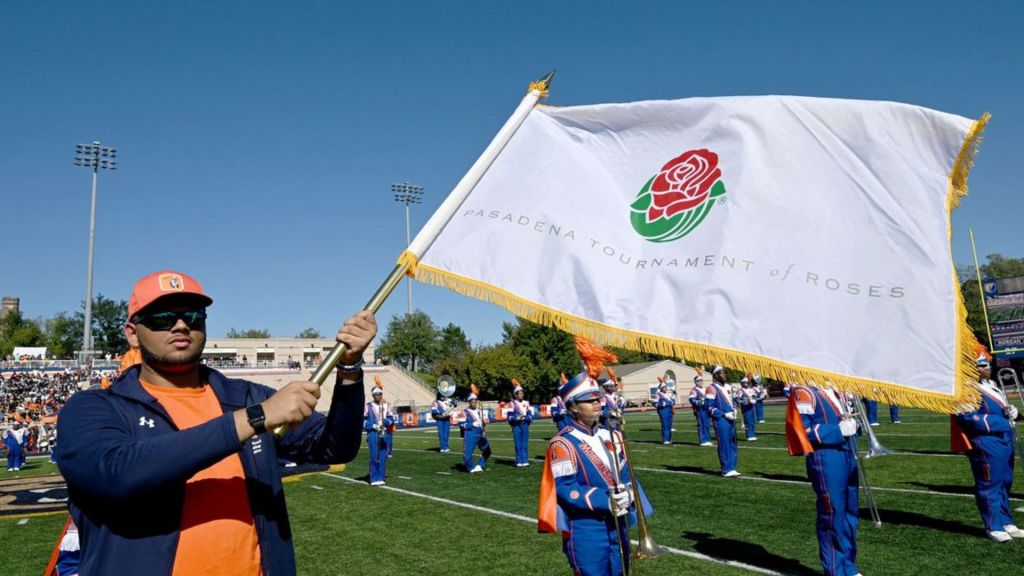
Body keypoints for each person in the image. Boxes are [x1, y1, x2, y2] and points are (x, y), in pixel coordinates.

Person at [56, 270, 375, 576]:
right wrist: (254, 419)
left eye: (193, 316)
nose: (180, 326)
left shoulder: (245, 395)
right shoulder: (96, 407)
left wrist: (350, 370)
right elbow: (119, 474)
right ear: (132, 333)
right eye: (162, 318)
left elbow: (335, 448)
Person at [538, 336, 652, 576]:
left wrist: (630, 493)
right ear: (573, 407)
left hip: (618, 525)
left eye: (597, 398)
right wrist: (605, 499)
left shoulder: (611, 434)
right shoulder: (563, 443)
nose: (596, 403)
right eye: (588, 400)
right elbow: (566, 488)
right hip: (586, 528)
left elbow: (624, 473)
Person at [785, 382, 863, 576]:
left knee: (850, 513)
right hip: (827, 457)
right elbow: (804, 429)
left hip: (847, 452)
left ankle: (849, 566)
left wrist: (855, 425)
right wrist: (838, 431)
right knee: (832, 515)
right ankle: (835, 571)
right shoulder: (805, 391)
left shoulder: (836, 389)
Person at [951, 355, 1022, 542]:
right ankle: (993, 526)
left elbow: (996, 408)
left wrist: (1011, 410)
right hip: (986, 441)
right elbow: (968, 418)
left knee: (1005, 481)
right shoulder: (965, 389)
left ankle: (1006, 521)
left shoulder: (991, 384)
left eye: (988, 364)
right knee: (990, 484)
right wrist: (1003, 422)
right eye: (982, 365)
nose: (987, 367)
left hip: (1003, 439)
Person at [705, 366, 740, 477]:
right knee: (724, 443)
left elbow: (733, 401)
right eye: (721, 373)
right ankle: (726, 469)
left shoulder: (728, 387)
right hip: (721, 420)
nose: (724, 375)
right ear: (715, 375)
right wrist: (724, 414)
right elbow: (709, 407)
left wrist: (734, 410)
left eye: (724, 373)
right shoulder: (711, 389)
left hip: (731, 418)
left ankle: (732, 467)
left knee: (733, 443)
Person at [363, 376, 394, 486]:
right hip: (373, 433)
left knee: (383, 456)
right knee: (374, 455)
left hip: (384, 433)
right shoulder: (368, 406)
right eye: (376, 395)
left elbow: (391, 419)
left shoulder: (387, 405)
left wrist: (386, 421)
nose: (379, 396)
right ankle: (374, 478)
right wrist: (373, 426)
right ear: (373, 396)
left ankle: (381, 477)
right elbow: (363, 422)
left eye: (380, 394)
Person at [462, 384, 491, 473]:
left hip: (481, 433)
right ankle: (470, 468)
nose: (474, 402)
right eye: (472, 401)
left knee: (487, 451)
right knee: (468, 454)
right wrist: (472, 424)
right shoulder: (465, 412)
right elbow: (461, 424)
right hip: (470, 434)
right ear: (469, 402)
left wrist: (486, 420)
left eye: (475, 400)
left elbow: (486, 420)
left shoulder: (480, 411)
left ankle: (480, 465)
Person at [508, 379, 533, 467]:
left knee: (524, 443)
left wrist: (526, 417)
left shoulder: (526, 403)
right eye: (520, 393)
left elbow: (530, 414)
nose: (522, 395)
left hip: (524, 424)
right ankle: (519, 460)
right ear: (516, 395)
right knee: (518, 443)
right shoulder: (512, 403)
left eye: (522, 393)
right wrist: (516, 418)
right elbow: (509, 416)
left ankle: (525, 460)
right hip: (516, 425)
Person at [688, 371, 712, 446]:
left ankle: (707, 439)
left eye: (701, 381)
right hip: (700, 409)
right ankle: (703, 440)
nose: (701, 382)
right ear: (695, 382)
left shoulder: (705, 389)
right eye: (699, 381)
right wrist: (699, 402)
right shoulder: (694, 390)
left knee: (707, 424)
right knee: (702, 424)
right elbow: (691, 399)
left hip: (707, 409)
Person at [654, 378, 674, 444]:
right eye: (663, 387)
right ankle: (665, 439)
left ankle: (669, 439)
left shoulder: (668, 394)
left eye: (665, 387)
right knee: (665, 425)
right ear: (661, 388)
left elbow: (672, 402)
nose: (665, 388)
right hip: (663, 411)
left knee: (669, 425)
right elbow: (654, 403)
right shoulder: (658, 394)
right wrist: (662, 404)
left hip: (669, 410)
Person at [739, 376, 758, 441]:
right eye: (745, 383)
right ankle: (749, 435)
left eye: (747, 383)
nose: (746, 384)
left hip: (751, 407)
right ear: (742, 383)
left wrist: (754, 399)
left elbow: (754, 397)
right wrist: (747, 401)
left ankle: (753, 434)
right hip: (746, 408)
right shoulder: (741, 391)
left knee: (752, 421)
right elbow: (738, 400)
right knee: (748, 421)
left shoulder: (751, 390)